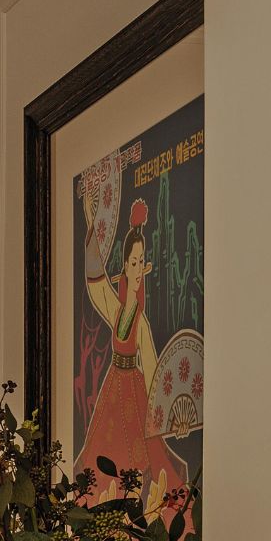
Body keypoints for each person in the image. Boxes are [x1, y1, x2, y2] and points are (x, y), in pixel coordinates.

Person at [77, 191, 187, 501]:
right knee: (99, 464)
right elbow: (96, 284)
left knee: (138, 468)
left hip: (133, 395)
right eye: (134, 262)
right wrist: (90, 222)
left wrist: (172, 419)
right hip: (113, 386)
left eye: (142, 262)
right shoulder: (117, 309)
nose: (139, 270)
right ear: (125, 266)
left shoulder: (142, 325)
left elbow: (153, 375)